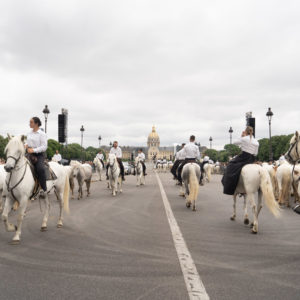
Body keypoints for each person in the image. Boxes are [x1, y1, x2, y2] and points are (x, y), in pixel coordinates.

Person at [221, 126, 259, 195]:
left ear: (246, 131)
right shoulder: (256, 141)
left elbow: (234, 143)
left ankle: (230, 188)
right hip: (252, 158)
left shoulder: (244, 139)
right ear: (252, 132)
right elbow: (256, 153)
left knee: (230, 165)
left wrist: (241, 136)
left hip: (244, 157)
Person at [26, 117, 48, 198]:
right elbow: (27, 143)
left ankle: (43, 189)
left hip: (39, 155)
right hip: (29, 154)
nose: (29, 124)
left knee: (40, 169)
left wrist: (34, 150)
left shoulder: (42, 134)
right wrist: (25, 145)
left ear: (36, 123)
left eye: (31, 122)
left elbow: (44, 147)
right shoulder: (29, 133)